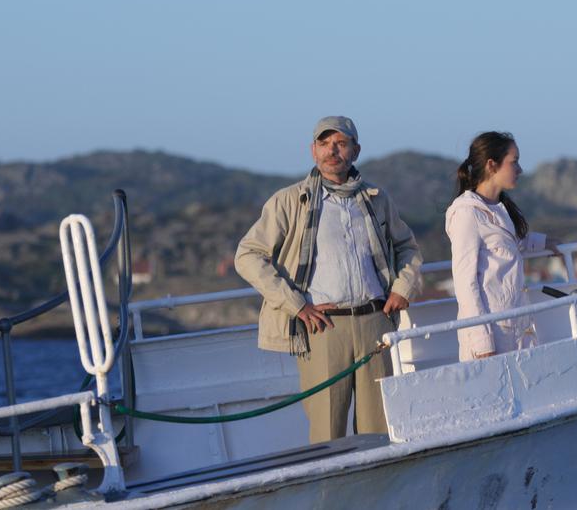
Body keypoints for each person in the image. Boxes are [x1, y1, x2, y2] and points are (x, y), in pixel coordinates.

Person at [234, 116, 423, 443]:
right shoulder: (290, 201)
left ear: (356, 150)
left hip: (376, 322)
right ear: (313, 150)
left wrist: (402, 288)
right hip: (323, 328)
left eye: (340, 143)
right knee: (327, 432)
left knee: (379, 431)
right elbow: (247, 255)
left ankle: (377, 477)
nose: (331, 151)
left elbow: (407, 246)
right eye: (324, 143)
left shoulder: (376, 198)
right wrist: (296, 305)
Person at [446, 131, 559, 361]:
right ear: (492, 165)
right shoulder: (467, 213)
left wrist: (544, 243)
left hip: (516, 329)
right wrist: (482, 341)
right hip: (491, 338)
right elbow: (465, 282)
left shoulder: (499, 208)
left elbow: (509, 243)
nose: (520, 169)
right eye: (514, 162)